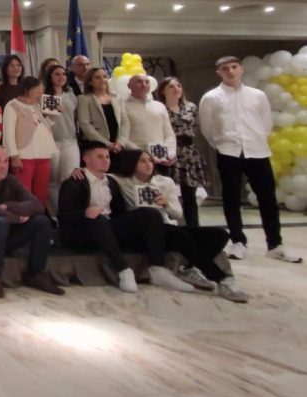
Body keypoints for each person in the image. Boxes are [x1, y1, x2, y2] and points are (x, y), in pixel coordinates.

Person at [200, 56, 301, 263]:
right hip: (229, 151)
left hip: (257, 151)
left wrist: (254, 140)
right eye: (225, 68)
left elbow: (265, 123)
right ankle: (238, 241)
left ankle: (275, 244)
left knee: (268, 199)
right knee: (231, 198)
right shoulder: (211, 98)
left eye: (234, 67)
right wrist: (222, 145)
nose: (230, 71)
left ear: (241, 69)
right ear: (219, 72)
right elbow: (207, 128)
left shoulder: (258, 95)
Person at [112, 150, 248, 302]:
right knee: (178, 234)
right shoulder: (122, 181)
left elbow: (177, 214)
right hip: (142, 230)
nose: (148, 164)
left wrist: (166, 204)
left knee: (220, 234)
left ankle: (188, 268)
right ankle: (221, 279)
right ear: (132, 164)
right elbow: (101, 176)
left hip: (166, 225)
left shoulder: (165, 182)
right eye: (142, 161)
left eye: (150, 160)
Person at [58, 141, 191, 293]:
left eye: (107, 156)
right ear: (86, 159)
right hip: (84, 231)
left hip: (108, 229)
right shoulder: (74, 182)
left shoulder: (112, 182)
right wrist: (84, 213)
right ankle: (123, 270)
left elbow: (120, 212)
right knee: (98, 218)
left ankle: (158, 269)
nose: (105, 160)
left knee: (149, 213)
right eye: (100, 157)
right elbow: (64, 218)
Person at [0, 144, 64, 299]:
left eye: (5, 161)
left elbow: (36, 205)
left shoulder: (11, 180)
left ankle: (36, 273)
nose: (3, 166)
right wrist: (16, 218)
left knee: (41, 222)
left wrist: (9, 206)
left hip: (6, 231)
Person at [156, 77, 207, 229]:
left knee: (190, 196)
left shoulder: (190, 107)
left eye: (178, 85)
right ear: (163, 90)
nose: (176, 89)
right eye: (171, 86)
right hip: (169, 152)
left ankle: (193, 229)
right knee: (169, 194)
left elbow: (197, 127)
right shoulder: (160, 108)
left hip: (188, 154)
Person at [2, 76, 58, 210]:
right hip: (24, 155)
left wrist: (53, 116)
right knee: (24, 191)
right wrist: (14, 156)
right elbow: (8, 133)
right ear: (28, 90)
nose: (40, 93)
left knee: (42, 191)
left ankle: (41, 219)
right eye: (38, 90)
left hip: (43, 153)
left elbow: (43, 126)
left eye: (41, 90)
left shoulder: (36, 105)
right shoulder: (12, 105)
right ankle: (25, 220)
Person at [119, 74, 176, 175]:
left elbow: (169, 133)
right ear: (129, 85)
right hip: (136, 160)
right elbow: (122, 137)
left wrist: (170, 153)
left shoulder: (159, 106)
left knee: (163, 190)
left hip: (161, 161)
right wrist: (145, 154)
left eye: (147, 81)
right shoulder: (121, 106)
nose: (144, 84)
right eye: (139, 81)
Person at [43, 65, 80, 213]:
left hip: (70, 141)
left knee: (68, 180)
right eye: (57, 74)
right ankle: (55, 214)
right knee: (52, 181)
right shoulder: (43, 96)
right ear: (50, 77)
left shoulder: (71, 96)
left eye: (63, 74)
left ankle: (68, 213)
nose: (61, 77)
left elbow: (76, 118)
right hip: (50, 142)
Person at [77, 68, 124, 157]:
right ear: (90, 82)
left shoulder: (117, 98)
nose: (102, 80)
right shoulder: (84, 99)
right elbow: (84, 124)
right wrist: (107, 144)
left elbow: (125, 122)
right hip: (95, 145)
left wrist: (120, 142)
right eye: (98, 78)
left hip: (117, 146)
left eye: (104, 77)